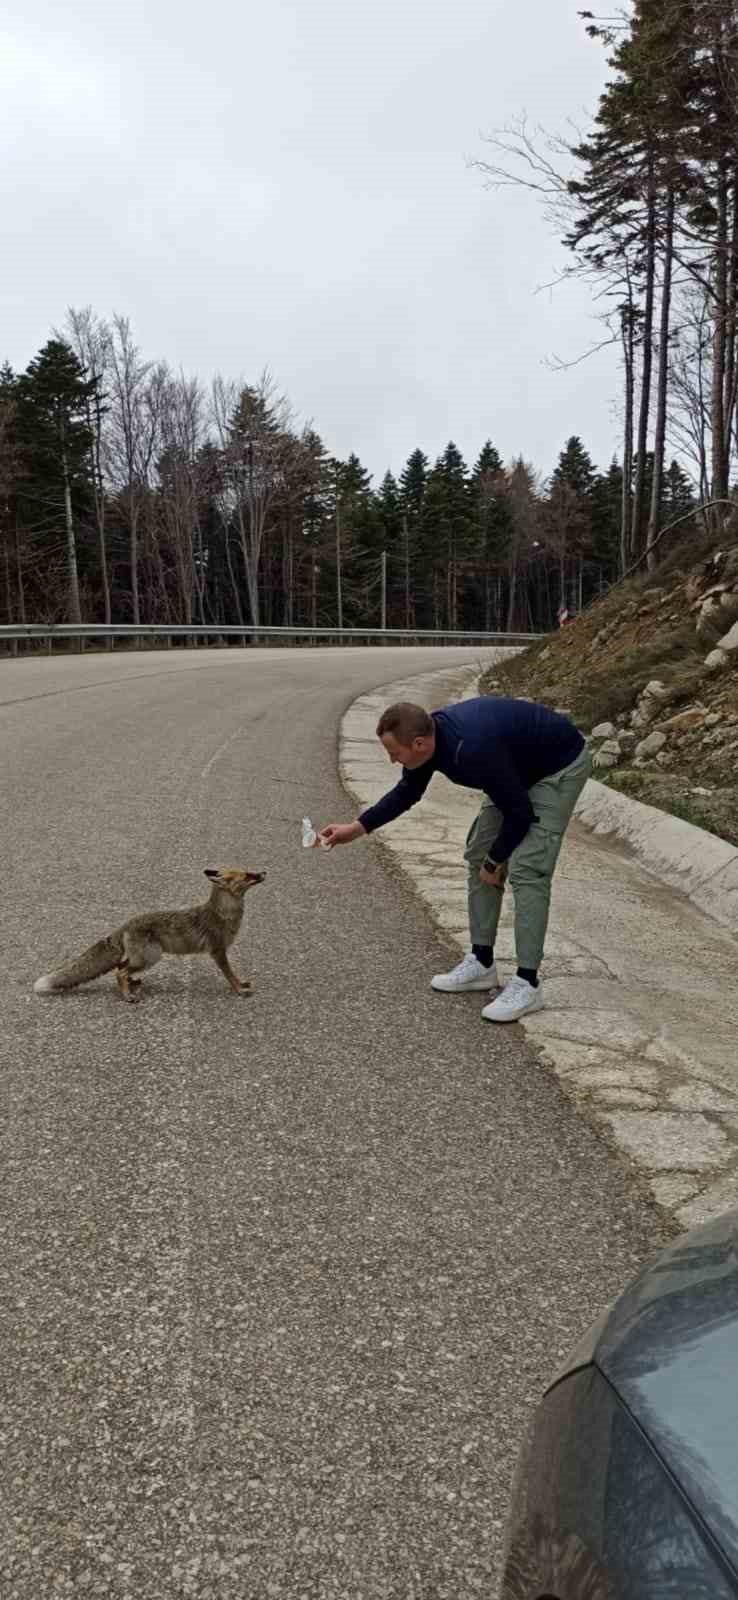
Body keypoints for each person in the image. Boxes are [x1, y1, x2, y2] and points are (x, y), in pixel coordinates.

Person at [319, 696, 591, 1022]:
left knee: (527, 868)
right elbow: (408, 792)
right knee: (478, 853)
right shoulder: (431, 741)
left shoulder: (473, 749)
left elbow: (519, 814)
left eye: (394, 754)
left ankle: (528, 984)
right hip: (515, 768)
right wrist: (356, 828)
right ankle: (481, 963)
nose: (393, 761)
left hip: (557, 767)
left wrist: (496, 862)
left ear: (419, 743)